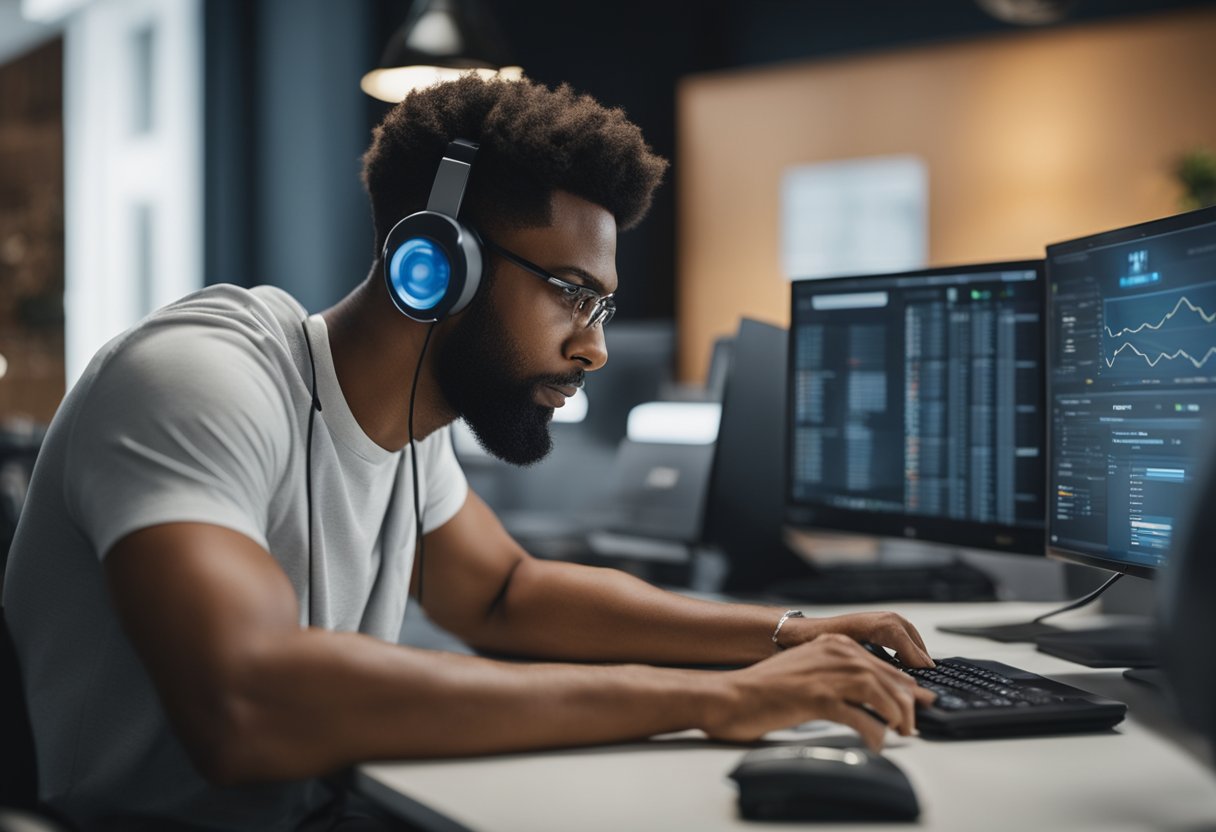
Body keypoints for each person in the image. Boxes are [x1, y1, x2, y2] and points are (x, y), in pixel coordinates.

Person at [2, 75, 934, 831]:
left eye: (601, 305)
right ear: (435, 261)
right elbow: (244, 702)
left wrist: (783, 635)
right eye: (572, 292)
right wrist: (712, 702)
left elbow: (502, 593)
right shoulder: (202, 375)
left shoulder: (409, 425)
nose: (595, 347)